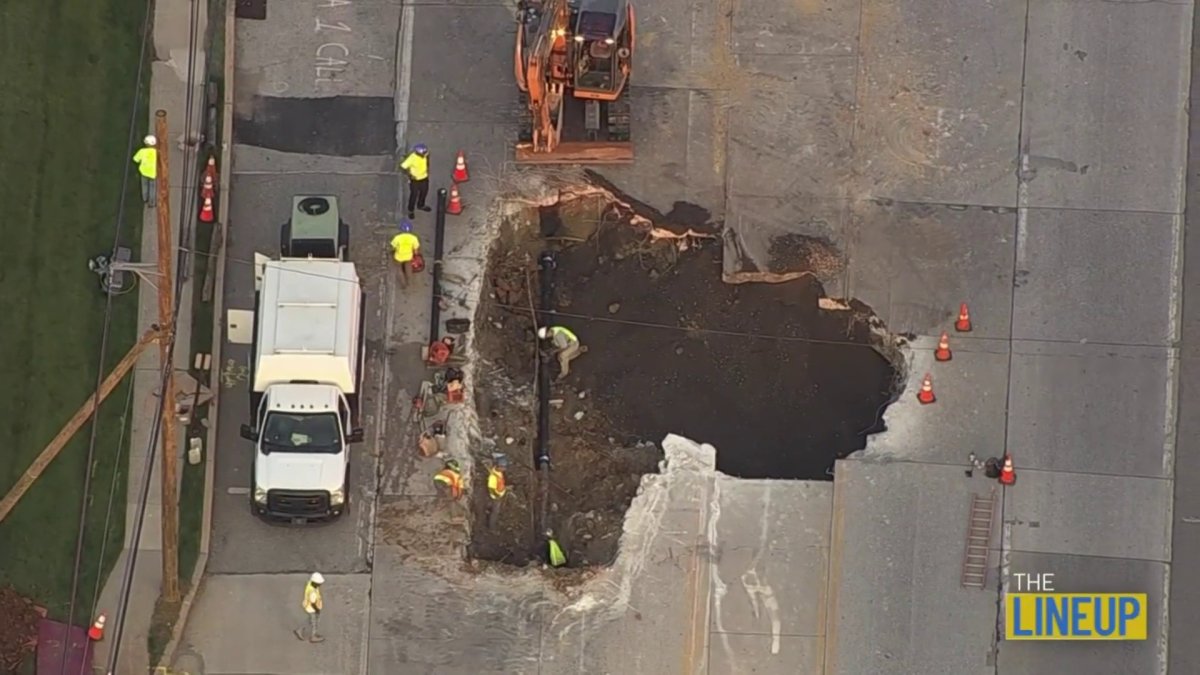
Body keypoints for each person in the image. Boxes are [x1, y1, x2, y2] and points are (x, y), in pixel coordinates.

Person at [399, 143, 431, 218]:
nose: (425, 154)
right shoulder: (412, 158)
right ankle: (411, 210)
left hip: (424, 178)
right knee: (414, 195)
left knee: (424, 192)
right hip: (415, 180)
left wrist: (427, 169)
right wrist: (409, 175)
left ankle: (421, 205)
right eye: (423, 153)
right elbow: (402, 166)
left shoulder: (425, 155)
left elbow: (428, 160)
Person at [389, 220, 421, 289]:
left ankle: (403, 284)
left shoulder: (397, 238)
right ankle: (409, 282)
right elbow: (416, 250)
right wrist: (416, 255)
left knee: (399, 269)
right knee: (408, 268)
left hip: (398, 257)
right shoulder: (413, 238)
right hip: (408, 256)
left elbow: (393, 247)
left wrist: (392, 252)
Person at [294, 572, 325, 643]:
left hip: (308, 606)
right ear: (315, 582)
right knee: (314, 622)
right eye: (319, 583)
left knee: (309, 620)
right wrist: (317, 609)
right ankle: (313, 636)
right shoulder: (313, 591)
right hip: (312, 608)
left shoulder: (310, 584)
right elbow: (313, 602)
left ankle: (300, 630)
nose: (320, 584)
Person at [132, 135, 158, 208]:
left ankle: (145, 199)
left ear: (146, 144)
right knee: (152, 187)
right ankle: (151, 203)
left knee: (144, 185)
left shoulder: (142, 151)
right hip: (152, 173)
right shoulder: (156, 152)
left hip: (143, 172)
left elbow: (135, 159)